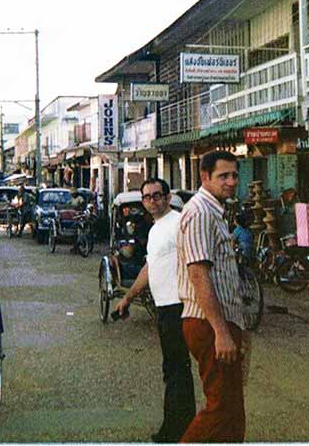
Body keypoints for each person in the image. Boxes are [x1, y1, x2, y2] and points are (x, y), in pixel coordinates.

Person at [115, 178, 196, 443]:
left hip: (178, 305)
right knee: (174, 368)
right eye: (147, 197)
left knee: (176, 369)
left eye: (157, 195)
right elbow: (150, 269)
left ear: (168, 197)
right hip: (163, 308)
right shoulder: (155, 230)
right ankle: (182, 426)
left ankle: (175, 431)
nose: (153, 201)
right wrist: (127, 298)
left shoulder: (179, 222)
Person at [176, 150, 246, 442]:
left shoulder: (214, 210)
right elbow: (198, 274)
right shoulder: (200, 212)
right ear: (205, 177)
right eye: (223, 176)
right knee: (221, 408)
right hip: (207, 323)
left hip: (221, 322)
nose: (231, 182)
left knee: (232, 411)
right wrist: (221, 332)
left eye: (234, 175)